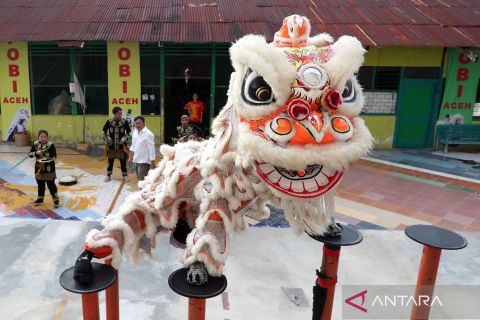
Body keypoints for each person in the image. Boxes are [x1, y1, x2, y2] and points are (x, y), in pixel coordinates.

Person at [28, 130, 60, 208]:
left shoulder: (51, 145)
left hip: (49, 168)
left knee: (51, 185)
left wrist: (44, 153)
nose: (43, 138)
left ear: (47, 137)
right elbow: (30, 154)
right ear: (38, 137)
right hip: (39, 168)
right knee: (40, 184)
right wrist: (36, 153)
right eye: (41, 137)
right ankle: (40, 199)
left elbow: (54, 156)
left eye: (44, 137)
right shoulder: (35, 144)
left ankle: (56, 200)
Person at [103, 106, 131, 182]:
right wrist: (108, 139)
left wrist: (124, 139)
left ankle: (125, 176)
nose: (120, 115)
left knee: (123, 161)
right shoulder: (109, 122)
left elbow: (128, 132)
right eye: (119, 113)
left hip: (122, 146)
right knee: (110, 161)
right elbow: (104, 132)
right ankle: (108, 176)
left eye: (121, 113)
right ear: (114, 114)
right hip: (111, 146)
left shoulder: (124, 122)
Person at [128, 116, 156, 182]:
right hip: (137, 159)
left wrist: (153, 163)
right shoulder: (135, 132)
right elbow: (133, 146)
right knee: (139, 178)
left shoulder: (149, 134)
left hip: (145, 161)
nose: (137, 125)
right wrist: (130, 157)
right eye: (136, 124)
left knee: (142, 180)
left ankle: (142, 191)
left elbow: (152, 150)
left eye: (139, 123)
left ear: (143, 123)